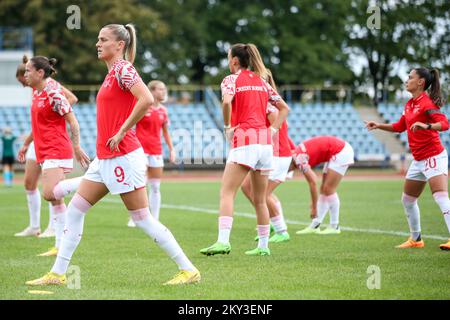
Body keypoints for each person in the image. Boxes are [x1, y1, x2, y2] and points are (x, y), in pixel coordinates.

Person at [26, 24, 200, 287]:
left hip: (123, 157)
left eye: (103, 39)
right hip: (104, 160)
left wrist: (121, 131)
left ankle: (188, 270)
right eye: (97, 39)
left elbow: (146, 99)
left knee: (142, 219)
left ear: (119, 45)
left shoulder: (123, 69)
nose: (97, 43)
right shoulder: (112, 73)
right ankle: (58, 274)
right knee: (74, 211)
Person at [200, 43, 290, 256]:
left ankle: (223, 241)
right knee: (260, 199)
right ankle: (263, 247)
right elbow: (284, 109)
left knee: (227, 192)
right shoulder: (262, 81)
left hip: (245, 141)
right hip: (265, 145)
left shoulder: (230, 79)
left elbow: (226, 102)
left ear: (234, 61)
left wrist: (227, 128)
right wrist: (274, 131)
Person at [365, 67, 450, 250]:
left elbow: (444, 124)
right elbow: (399, 126)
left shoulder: (427, 103)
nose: (407, 80)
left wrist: (426, 126)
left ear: (420, 82)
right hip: (418, 160)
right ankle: (416, 239)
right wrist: (378, 125)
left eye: (410, 77)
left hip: (433, 156)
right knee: (408, 199)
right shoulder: (410, 104)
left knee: (441, 196)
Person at [18, 56, 89, 256]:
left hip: (56, 149)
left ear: (40, 73)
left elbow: (73, 122)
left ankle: (93, 179)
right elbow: (38, 124)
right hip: (43, 150)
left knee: (49, 193)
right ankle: (59, 245)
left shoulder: (54, 93)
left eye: (28, 71)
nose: (25, 75)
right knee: (56, 201)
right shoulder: (36, 92)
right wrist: (26, 144)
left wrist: (76, 146)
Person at [240, 71, 293, 243]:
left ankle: (281, 230)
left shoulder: (269, 106)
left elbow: (275, 130)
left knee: (261, 195)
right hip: (273, 153)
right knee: (247, 187)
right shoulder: (266, 104)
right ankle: (269, 221)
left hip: (277, 155)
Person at [128, 80, 175, 227]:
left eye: (164, 89)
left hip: (156, 151)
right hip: (140, 151)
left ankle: (154, 218)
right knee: (138, 185)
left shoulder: (163, 111)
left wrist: (172, 149)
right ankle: (135, 217)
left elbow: (166, 133)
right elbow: (130, 126)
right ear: (152, 91)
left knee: (155, 187)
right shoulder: (142, 107)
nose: (163, 92)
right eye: (160, 89)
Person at [293, 136, 354, 235]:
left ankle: (335, 226)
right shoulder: (295, 154)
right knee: (324, 189)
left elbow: (313, 181)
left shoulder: (298, 159)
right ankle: (315, 225)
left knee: (328, 189)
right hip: (335, 151)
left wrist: (314, 207)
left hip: (340, 151)